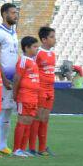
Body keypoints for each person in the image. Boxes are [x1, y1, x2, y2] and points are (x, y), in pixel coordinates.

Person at [0, 3, 21, 153]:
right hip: (2, 79)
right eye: (12, 13)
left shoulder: (13, 33)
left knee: (8, 112)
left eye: (16, 13)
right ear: (4, 14)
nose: (15, 15)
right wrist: (3, 78)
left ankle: (3, 145)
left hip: (12, 79)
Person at [11, 35, 41, 158]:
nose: (36, 49)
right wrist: (15, 94)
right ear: (27, 48)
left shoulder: (32, 61)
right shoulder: (23, 60)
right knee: (22, 121)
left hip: (33, 96)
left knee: (28, 122)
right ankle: (16, 149)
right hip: (25, 96)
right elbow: (17, 78)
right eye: (34, 47)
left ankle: (23, 148)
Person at [34, 26, 57, 155]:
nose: (55, 39)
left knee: (45, 118)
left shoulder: (52, 54)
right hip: (40, 88)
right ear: (44, 39)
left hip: (50, 89)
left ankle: (42, 148)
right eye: (52, 37)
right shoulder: (37, 53)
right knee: (38, 117)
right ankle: (33, 147)